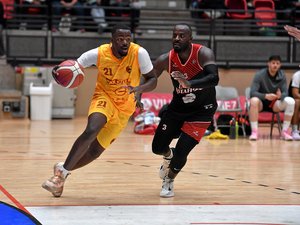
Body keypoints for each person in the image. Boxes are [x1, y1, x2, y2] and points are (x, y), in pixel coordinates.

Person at [42, 24, 157, 197]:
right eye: (120, 39)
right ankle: (61, 176)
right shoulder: (98, 53)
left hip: (125, 108)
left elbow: (153, 79)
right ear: (112, 41)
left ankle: (62, 168)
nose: (125, 42)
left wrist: (139, 90)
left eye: (128, 39)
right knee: (92, 129)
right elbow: (75, 66)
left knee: (95, 151)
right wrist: (59, 72)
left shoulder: (140, 53)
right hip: (104, 98)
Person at [152, 23, 219, 198]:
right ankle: (168, 156)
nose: (177, 38)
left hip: (202, 111)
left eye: (182, 36)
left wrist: (190, 83)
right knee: (157, 148)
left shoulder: (203, 53)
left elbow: (214, 78)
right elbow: (149, 78)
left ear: (190, 38)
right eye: (174, 35)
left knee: (182, 151)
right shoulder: (165, 59)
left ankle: (169, 180)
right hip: (177, 108)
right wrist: (137, 92)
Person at [248, 55, 295, 141]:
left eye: (277, 63)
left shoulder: (282, 75)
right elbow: (252, 93)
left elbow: (286, 92)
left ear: (280, 65)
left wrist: (280, 96)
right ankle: (254, 132)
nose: (275, 65)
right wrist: (265, 96)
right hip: (261, 103)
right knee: (253, 100)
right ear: (268, 64)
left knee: (291, 101)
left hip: (275, 104)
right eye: (273, 63)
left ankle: (284, 132)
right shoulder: (260, 75)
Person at [288, 70, 300, 140]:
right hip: (293, 100)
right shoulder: (297, 75)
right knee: (297, 102)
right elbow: (295, 94)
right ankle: (294, 130)